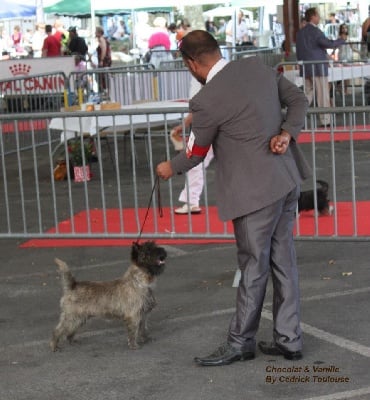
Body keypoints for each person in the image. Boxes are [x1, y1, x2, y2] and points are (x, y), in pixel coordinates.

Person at [156, 30, 311, 366]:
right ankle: (289, 339)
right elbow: (298, 100)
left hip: (253, 194)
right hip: (285, 181)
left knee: (253, 267)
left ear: (191, 63)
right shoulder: (257, 66)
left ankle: (240, 342)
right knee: (283, 261)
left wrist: (170, 166)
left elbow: (195, 153)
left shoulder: (206, 100)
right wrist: (287, 133)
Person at [170, 77, 214, 214]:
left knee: (194, 162)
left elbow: (198, 107)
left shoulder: (200, 77)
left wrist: (183, 125)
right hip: (220, 126)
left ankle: (192, 201)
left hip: (207, 127)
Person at [296, 7, 345, 127]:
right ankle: (325, 120)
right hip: (318, 68)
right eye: (318, 15)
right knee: (323, 95)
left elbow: (299, 51)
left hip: (306, 68)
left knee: (306, 96)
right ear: (312, 16)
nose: (319, 17)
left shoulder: (300, 33)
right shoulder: (316, 32)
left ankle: (298, 120)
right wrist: (341, 40)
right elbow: (328, 43)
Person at [95, 26, 112, 92]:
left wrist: (101, 60)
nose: (95, 33)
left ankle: (105, 91)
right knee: (103, 77)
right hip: (105, 61)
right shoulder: (103, 39)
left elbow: (104, 50)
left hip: (104, 61)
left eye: (96, 31)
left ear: (99, 32)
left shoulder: (101, 39)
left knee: (103, 77)